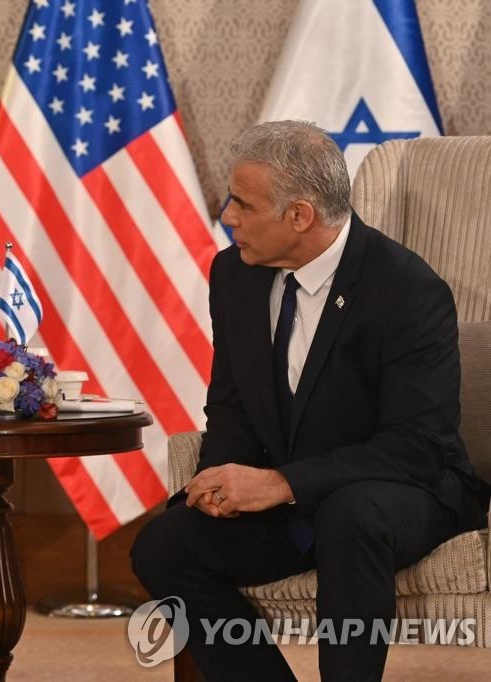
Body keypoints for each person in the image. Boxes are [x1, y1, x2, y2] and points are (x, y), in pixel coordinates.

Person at [130, 120, 489, 681]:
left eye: (243, 205)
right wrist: (219, 483)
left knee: (353, 515)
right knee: (163, 544)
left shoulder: (407, 290)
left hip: (405, 493)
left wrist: (281, 483)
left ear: (299, 216)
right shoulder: (234, 274)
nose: (228, 218)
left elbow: (415, 447)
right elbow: (232, 404)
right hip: (293, 501)